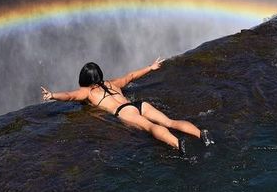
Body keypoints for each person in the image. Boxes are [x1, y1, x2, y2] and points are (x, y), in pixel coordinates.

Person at [41, 59, 212, 154]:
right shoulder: (112, 83)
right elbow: (130, 76)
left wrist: (53, 95)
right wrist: (150, 68)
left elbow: (69, 96)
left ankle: (177, 144)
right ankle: (200, 134)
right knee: (169, 122)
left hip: (124, 112)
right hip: (138, 104)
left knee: (151, 127)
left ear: (84, 79)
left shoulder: (87, 93)